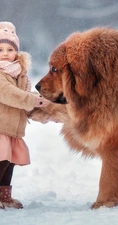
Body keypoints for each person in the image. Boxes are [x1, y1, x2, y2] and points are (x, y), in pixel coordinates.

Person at [0, 21, 49, 209]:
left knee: (8, 164)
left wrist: (46, 107)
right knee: (1, 163)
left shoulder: (20, 76)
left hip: (13, 129)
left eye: (9, 49)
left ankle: (4, 196)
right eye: (0, 49)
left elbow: (25, 101)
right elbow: (9, 94)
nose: (5, 53)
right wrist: (33, 100)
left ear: (17, 52)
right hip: (1, 128)